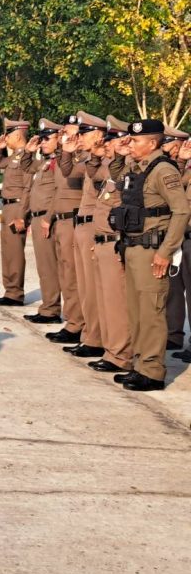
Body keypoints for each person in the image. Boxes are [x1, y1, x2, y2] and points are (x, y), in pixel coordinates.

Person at [109, 119, 190, 391]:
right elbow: (118, 182)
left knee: (152, 312)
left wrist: (166, 252)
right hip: (132, 248)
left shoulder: (163, 170)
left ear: (153, 143)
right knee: (137, 312)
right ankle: (139, 365)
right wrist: (120, 155)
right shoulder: (137, 167)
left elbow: (181, 211)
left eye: (135, 141)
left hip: (153, 251)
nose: (130, 144)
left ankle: (153, 372)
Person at [57, 112, 107, 358]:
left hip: (94, 226)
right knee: (84, 287)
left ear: (97, 135)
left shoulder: (105, 161)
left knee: (93, 288)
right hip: (82, 224)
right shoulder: (89, 159)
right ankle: (88, 335)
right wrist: (67, 151)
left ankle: (95, 338)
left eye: (84, 134)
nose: (80, 138)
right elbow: (68, 172)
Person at [86, 117, 133, 374]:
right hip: (102, 240)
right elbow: (94, 175)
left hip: (116, 243)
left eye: (110, 141)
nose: (106, 145)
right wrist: (97, 155)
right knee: (105, 302)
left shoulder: (130, 169)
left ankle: (121, 355)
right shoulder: (112, 168)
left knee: (116, 304)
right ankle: (111, 351)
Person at [45, 114, 85, 345]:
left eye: (70, 132)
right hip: (61, 221)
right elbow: (57, 192)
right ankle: (72, 321)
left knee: (73, 276)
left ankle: (76, 324)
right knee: (65, 274)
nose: (65, 136)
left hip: (74, 221)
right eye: (63, 132)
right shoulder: (65, 158)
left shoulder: (85, 159)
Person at [23, 121, 63, 324]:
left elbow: (59, 193)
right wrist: (28, 152)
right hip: (39, 218)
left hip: (49, 220)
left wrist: (48, 218)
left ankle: (51, 310)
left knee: (49, 267)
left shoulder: (59, 163)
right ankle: (48, 307)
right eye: (42, 139)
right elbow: (26, 167)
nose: (43, 142)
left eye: (47, 138)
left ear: (59, 139)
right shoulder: (46, 162)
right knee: (44, 267)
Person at [0, 118, 32, 306]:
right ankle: (9, 290)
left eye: (8, 135)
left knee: (15, 252)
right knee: (8, 252)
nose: (5, 138)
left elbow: (27, 189)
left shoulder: (26, 157)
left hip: (17, 208)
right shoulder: (15, 156)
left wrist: (22, 216)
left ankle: (15, 294)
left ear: (18, 135)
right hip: (7, 206)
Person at [162, 126, 191, 358]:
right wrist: (180, 162)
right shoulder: (185, 168)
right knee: (173, 287)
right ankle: (173, 335)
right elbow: (175, 189)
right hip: (180, 235)